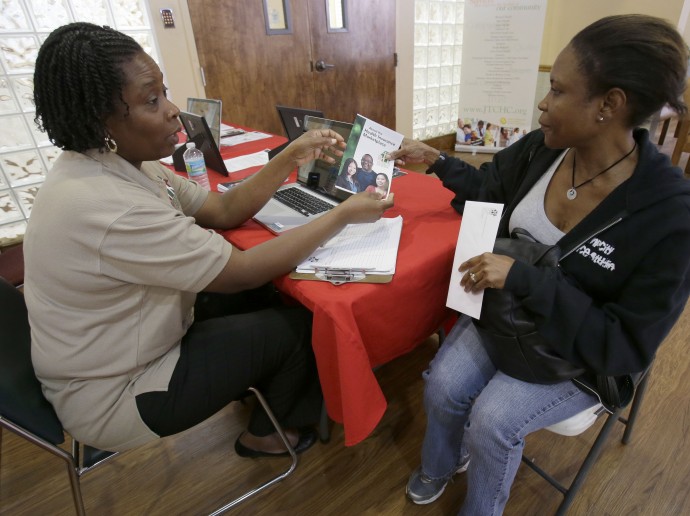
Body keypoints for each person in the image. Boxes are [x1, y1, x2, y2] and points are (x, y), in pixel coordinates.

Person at [24, 22, 394, 455]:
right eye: (151, 100)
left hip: (113, 350)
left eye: (164, 92)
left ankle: (253, 388)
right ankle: (267, 436)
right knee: (300, 326)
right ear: (98, 118)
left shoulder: (119, 164)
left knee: (269, 297)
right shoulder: (109, 205)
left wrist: (290, 156)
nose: (172, 110)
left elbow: (222, 209)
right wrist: (344, 215)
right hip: (116, 393)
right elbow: (240, 272)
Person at [388, 14, 690, 515]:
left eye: (557, 91)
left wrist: (527, 280)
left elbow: (623, 346)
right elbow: (488, 193)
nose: (543, 104)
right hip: (509, 316)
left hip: (577, 353)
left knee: (492, 421)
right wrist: (437, 161)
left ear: (609, 105)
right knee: (442, 385)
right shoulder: (542, 151)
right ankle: (443, 464)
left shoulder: (668, 216)